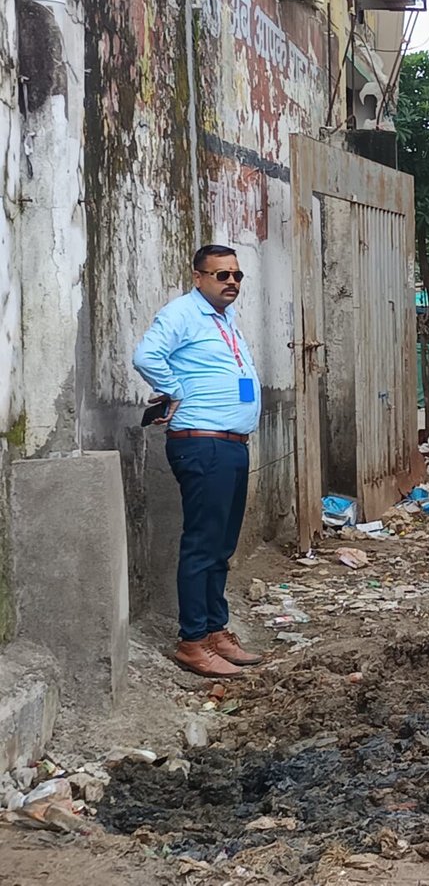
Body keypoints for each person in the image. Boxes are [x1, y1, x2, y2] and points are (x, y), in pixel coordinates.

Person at [132, 244, 263, 679]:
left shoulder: (224, 318)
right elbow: (146, 355)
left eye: (236, 275)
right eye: (221, 275)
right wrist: (175, 390)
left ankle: (215, 631)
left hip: (230, 444)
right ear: (198, 277)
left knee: (222, 545)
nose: (232, 282)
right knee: (203, 544)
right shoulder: (182, 314)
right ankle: (192, 641)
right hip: (203, 443)